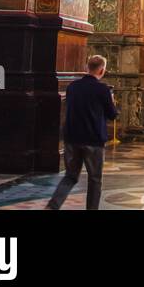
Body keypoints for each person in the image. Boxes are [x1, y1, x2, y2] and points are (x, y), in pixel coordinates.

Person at [46, 55, 117, 211]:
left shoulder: (72, 87)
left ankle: (52, 206)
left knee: (70, 176)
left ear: (87, 68)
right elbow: (112, 114)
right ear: (102, 70)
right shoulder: (103, 90)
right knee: (95, 179)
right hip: (93, 139)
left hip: (72, 137)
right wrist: (111, 101)